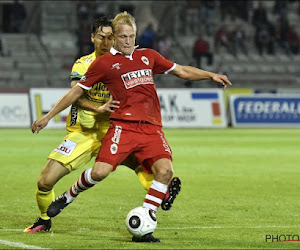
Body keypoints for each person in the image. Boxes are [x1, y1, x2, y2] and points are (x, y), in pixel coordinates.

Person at [31, 12, 231, 242]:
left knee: (164, 171)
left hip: (152, 128)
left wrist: (211, 75)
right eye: (123, 37)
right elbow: (76, 92)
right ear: (114, 37)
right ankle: (68, 197)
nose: (128, 41)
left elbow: (181, 70)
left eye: (132, 36)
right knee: (99, 172)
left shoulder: (148, 56)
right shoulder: (102, 64)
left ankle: (145, 223)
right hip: (121, 127)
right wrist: (48, 117)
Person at [24, 16, 155, 234]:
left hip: (114, 131)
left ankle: (158, 200)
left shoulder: (125, 62)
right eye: (101, 37)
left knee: (145, 166)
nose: (106, 43)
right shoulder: (83, 64)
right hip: (83, 134)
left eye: (110, 38)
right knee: (45, 181)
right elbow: (75, 94)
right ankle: (45, 220)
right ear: (92, 37)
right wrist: (48, 117)